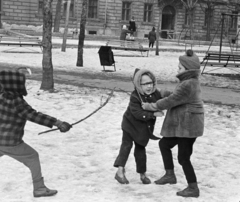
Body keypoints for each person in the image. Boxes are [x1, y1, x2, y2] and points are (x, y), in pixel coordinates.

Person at [0, 70, 72, 198]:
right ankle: (39, 188)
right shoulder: (16, 101)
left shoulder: (2, 96)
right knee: (32, 156)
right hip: (10, 142)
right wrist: (58, 123)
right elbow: (33, 115)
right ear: (16, 84)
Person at [142, 49, 204, 198]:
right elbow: (178, 97)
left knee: (183, 158)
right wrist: (164, 92)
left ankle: (193, 188)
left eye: (180, 67)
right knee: (164, 144)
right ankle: (170, 175)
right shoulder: (189, 82)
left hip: (187, 127)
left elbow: (171, 101)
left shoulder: (187, 84)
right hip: (184, 125)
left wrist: (149, 106)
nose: (178, 69)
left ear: (188, 69)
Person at [113, 68, 165, 185]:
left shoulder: (155, 93)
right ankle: (120, 171)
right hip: (129, 125)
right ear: (138, 84)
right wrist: (153, 114)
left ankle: (142, 174)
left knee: (140, 149)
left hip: (142, 128)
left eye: (150, 83)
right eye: (145, 84)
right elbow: (137, 113)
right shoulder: (135, 96)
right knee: (126, 145)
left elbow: (164, 101)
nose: (149, 86)